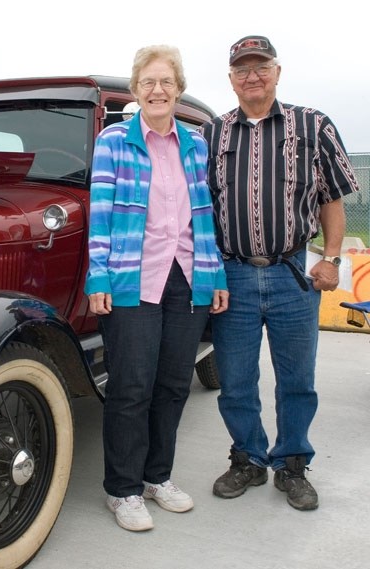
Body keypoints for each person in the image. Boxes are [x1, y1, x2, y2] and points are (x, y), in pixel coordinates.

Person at [200, 35, 360, 511]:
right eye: (242, 69)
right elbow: (200, 207)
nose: (252, 76)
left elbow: (332, 197)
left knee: (297, 379)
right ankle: (248, 458)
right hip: (234, 277)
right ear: (231, 79)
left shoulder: (313, 125)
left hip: (294, 274)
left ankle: (292, 464)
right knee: (235, 379)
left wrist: (330, 258)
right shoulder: (212, 134)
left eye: (261, 66)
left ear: (277, 72)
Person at [85, 45, 229, 532]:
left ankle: (156, 478)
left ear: (179, 89)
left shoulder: (195, 145)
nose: (158, 90)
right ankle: (122, 490)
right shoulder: (114, 141)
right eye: (148, 82)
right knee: (131, 386)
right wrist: (97, 277)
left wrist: (215, 276)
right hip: (131, 277)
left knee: (172, 385)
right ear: (135, 90)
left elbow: (205, 218)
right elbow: (100, 216)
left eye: (166, 81)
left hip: (187, 277)